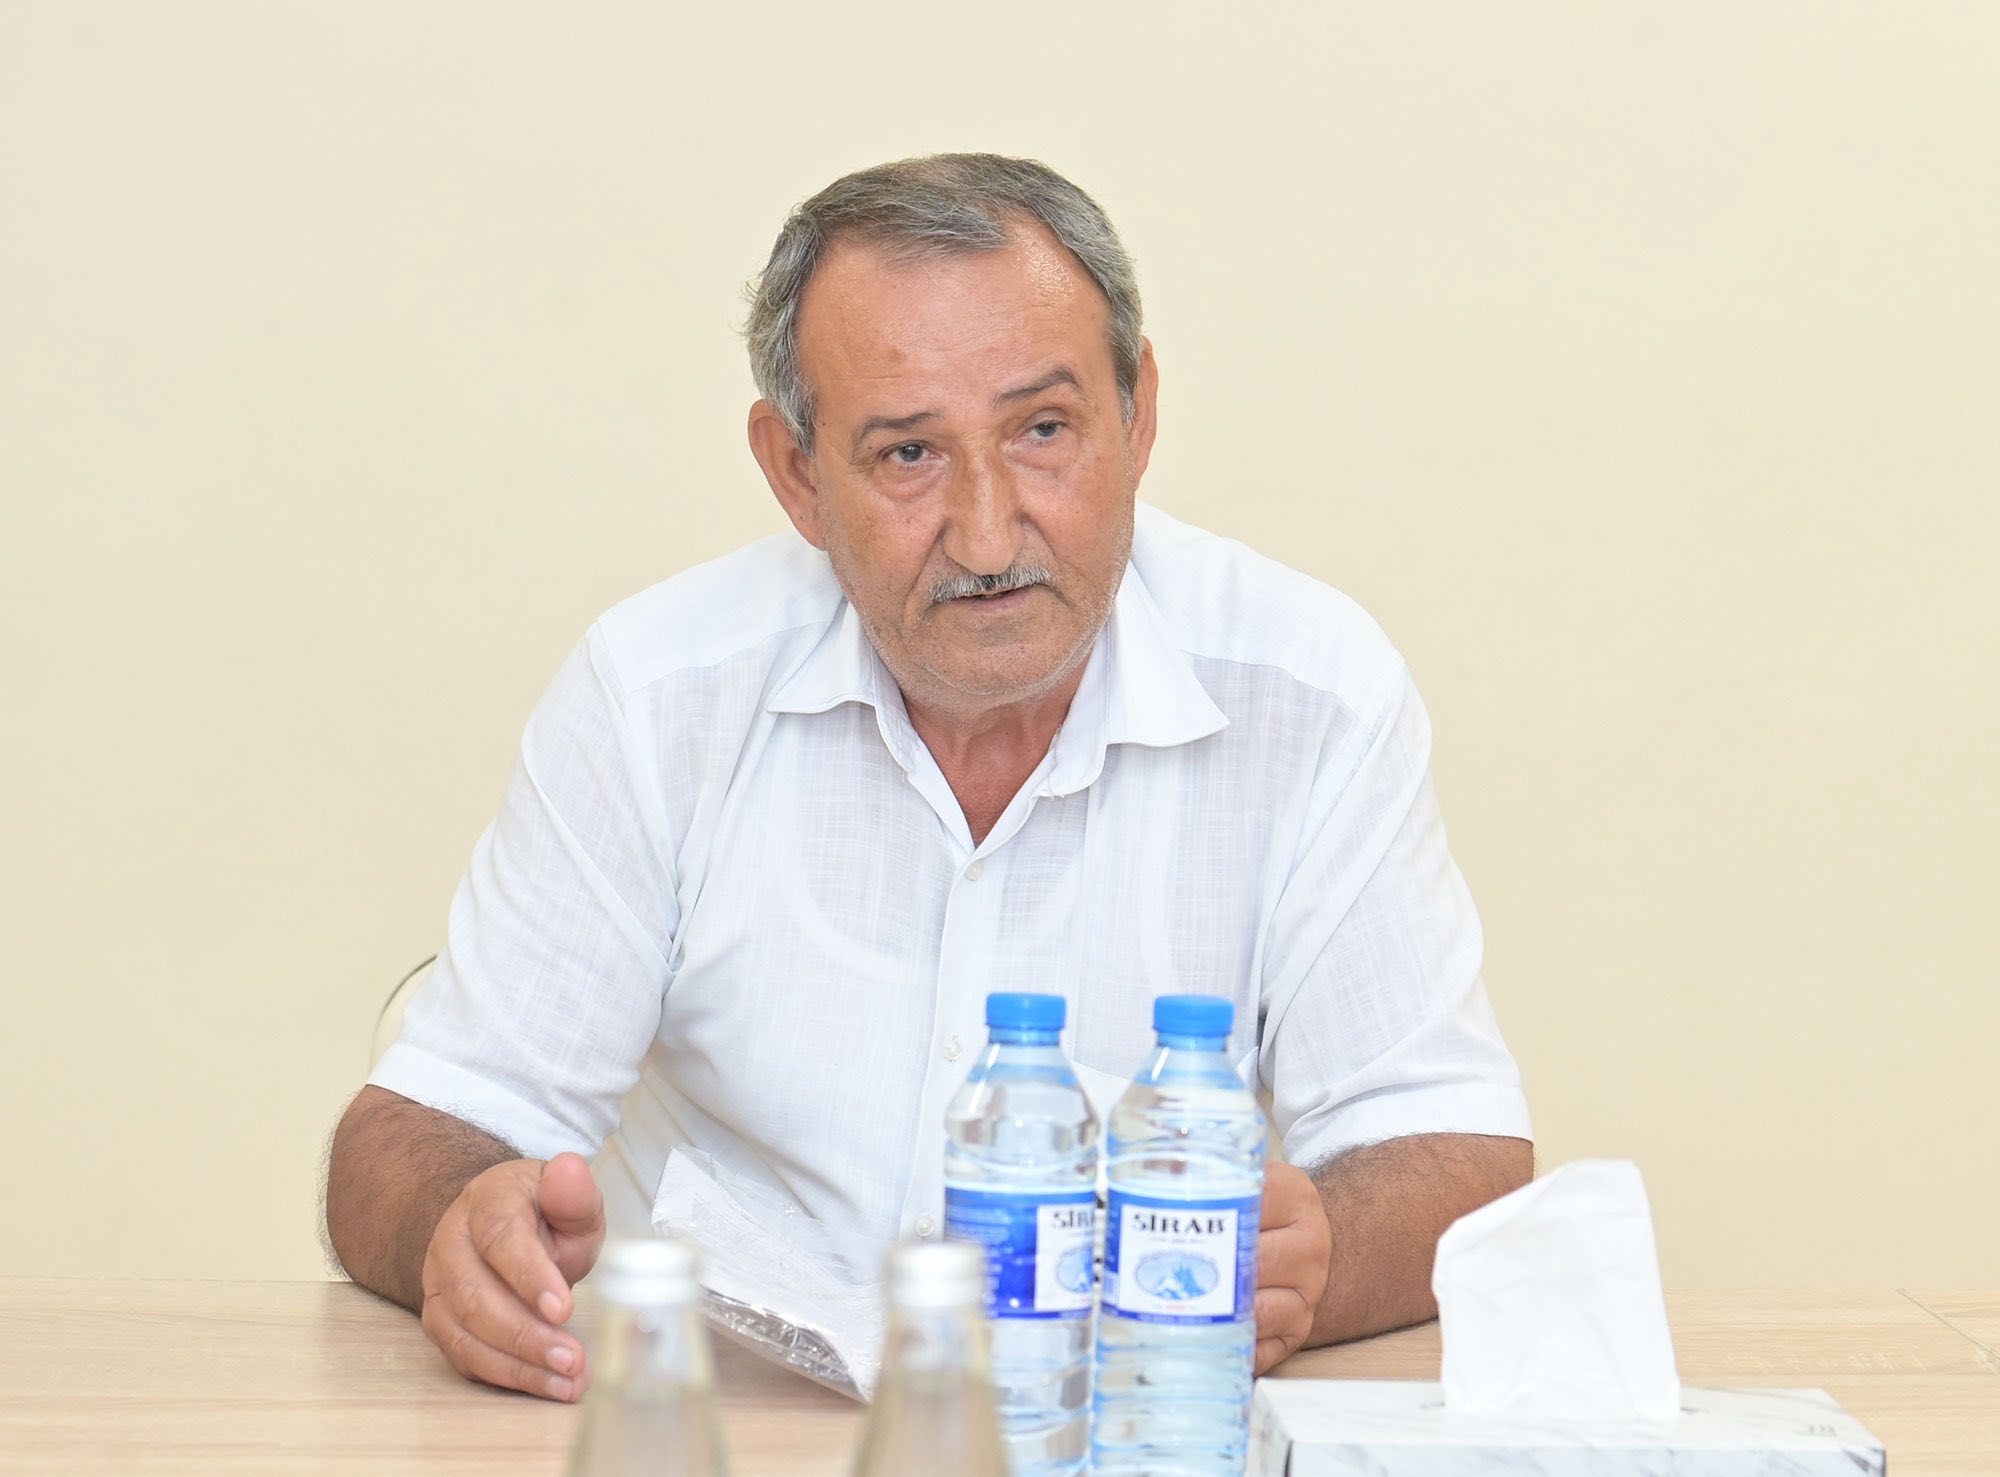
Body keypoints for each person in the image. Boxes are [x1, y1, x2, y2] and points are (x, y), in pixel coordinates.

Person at [323, 153, 1534, 1404]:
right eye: (907, 453)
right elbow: (419, 1125)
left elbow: (1453, 1146)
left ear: (1137, 417)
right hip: (718, 1427)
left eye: (1043, 431)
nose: (989, 533)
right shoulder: (655, 694)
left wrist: (1322, 1254)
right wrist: (456, 1226)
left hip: (1107, 1427)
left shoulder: (1311, 695)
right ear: (797, 473)